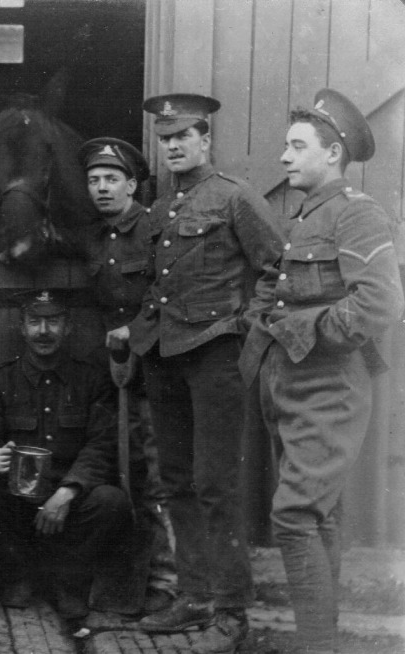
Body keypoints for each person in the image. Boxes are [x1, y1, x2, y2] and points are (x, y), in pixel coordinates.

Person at [240, 89, 404, 654]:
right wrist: (264, 322)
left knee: (292, 515)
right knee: (318, 512)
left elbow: (381, 303)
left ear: (332, 153)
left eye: (296, 146)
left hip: (329, 383)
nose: (283, 158)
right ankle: (323, 643)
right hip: (287, 383)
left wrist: (307, 334)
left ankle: (315, 646)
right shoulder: (301, 216)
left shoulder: (357, 211)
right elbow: (277, 290)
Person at [128, 93, 283, 653]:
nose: (172, 145)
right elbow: (159, 278)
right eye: (165, 137)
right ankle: (193, 597)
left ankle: (233, 610)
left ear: (205, 140)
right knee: (175, 480)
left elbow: (277, 270)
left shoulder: (236, 198)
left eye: (183, 136)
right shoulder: (162, 208)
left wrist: (247, 329)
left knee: (217, 484)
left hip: (217, 355)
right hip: (165, 357)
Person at [0, 289, 131, 622]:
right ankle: (21, 575)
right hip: (19, 501)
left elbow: (101, 444)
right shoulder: (1, 381)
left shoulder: (91, 380)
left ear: (68, 327)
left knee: (111, 501)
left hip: (69, 502)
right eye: (34, 322)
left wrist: (68, 491)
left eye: (53, 322)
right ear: (21, 328)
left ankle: (67, 583)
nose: (43, 331)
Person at [79, 137, 177, 613]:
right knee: (126, 474)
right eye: (94, 180)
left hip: (157, 371)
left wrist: (134, 332)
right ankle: (131, 578)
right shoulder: (95, 236)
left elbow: (169, 294)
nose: (101, 188)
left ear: (132, 184)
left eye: (111, 179)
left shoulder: (156, 230)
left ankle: (168, 581)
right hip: (117, 375)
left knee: (159, 476)